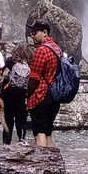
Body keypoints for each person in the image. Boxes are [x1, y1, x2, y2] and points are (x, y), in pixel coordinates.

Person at [26, 19, 62, 147]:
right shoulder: (57, 49)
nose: (33, 35)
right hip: (54, 96)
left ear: (45, 32)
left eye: (35, 32)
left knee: (40, 132)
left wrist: (29, 94)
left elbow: (34, 77)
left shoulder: (41, 50)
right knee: (48, 132)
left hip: (41, 95)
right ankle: (52, 163)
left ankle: (41, 163)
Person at [1, 42, 31, 145]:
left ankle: (6, 143)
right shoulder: (30, 63)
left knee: (8, 120)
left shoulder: (10, 61)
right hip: (23, 97)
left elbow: (2, 74)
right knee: (21, 121)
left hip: (8, 96)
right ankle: (21, 139)